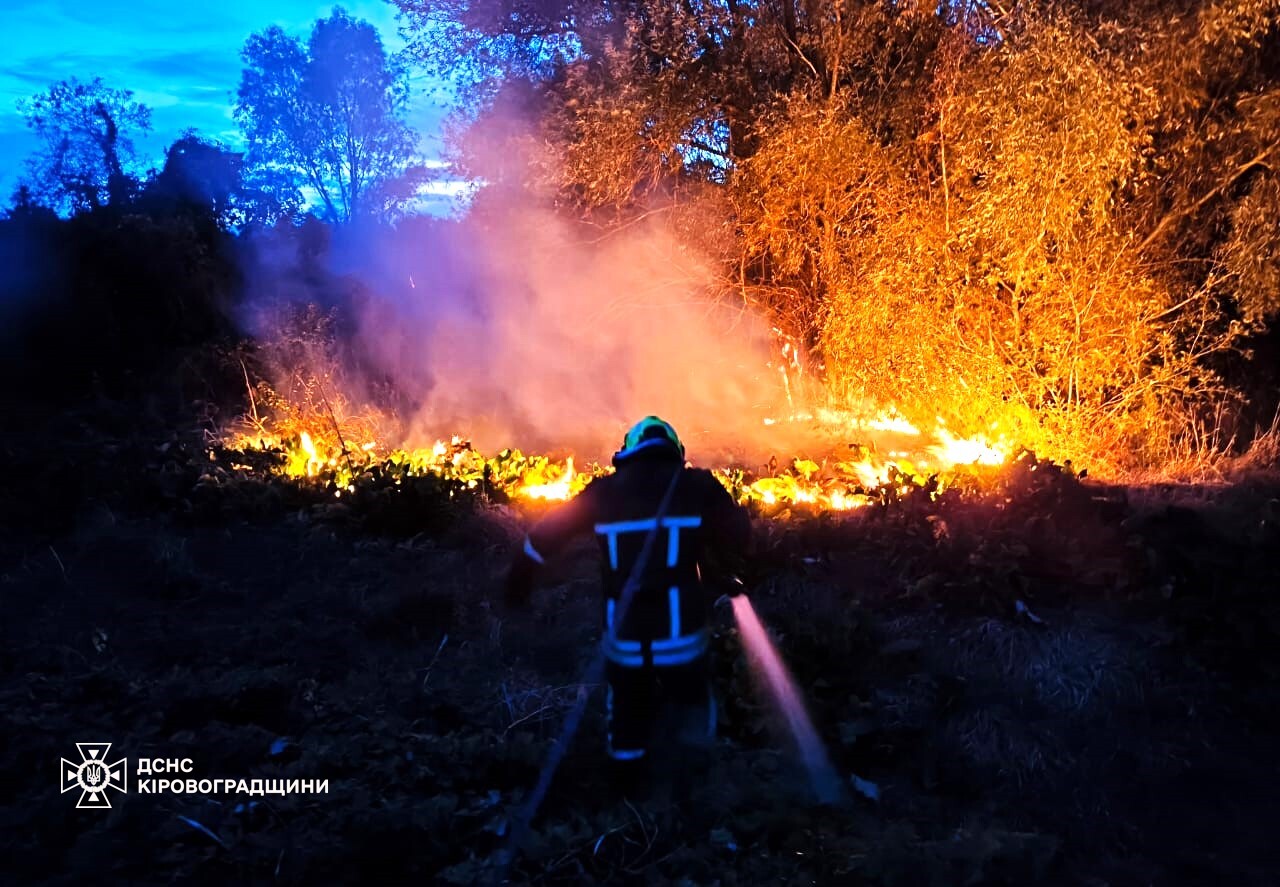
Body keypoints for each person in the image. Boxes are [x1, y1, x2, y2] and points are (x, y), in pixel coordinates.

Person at [504, 416, 751, 791]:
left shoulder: (601, 494)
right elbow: (739, 536)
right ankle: (695, 784)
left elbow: (543, 538)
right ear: (675, 451)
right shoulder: (697, 486)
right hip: (681, 634)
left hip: (625, 636)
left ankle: (627, 784)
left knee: (627, 706)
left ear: (627, 451)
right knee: (692, 696)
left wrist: (518, 582)